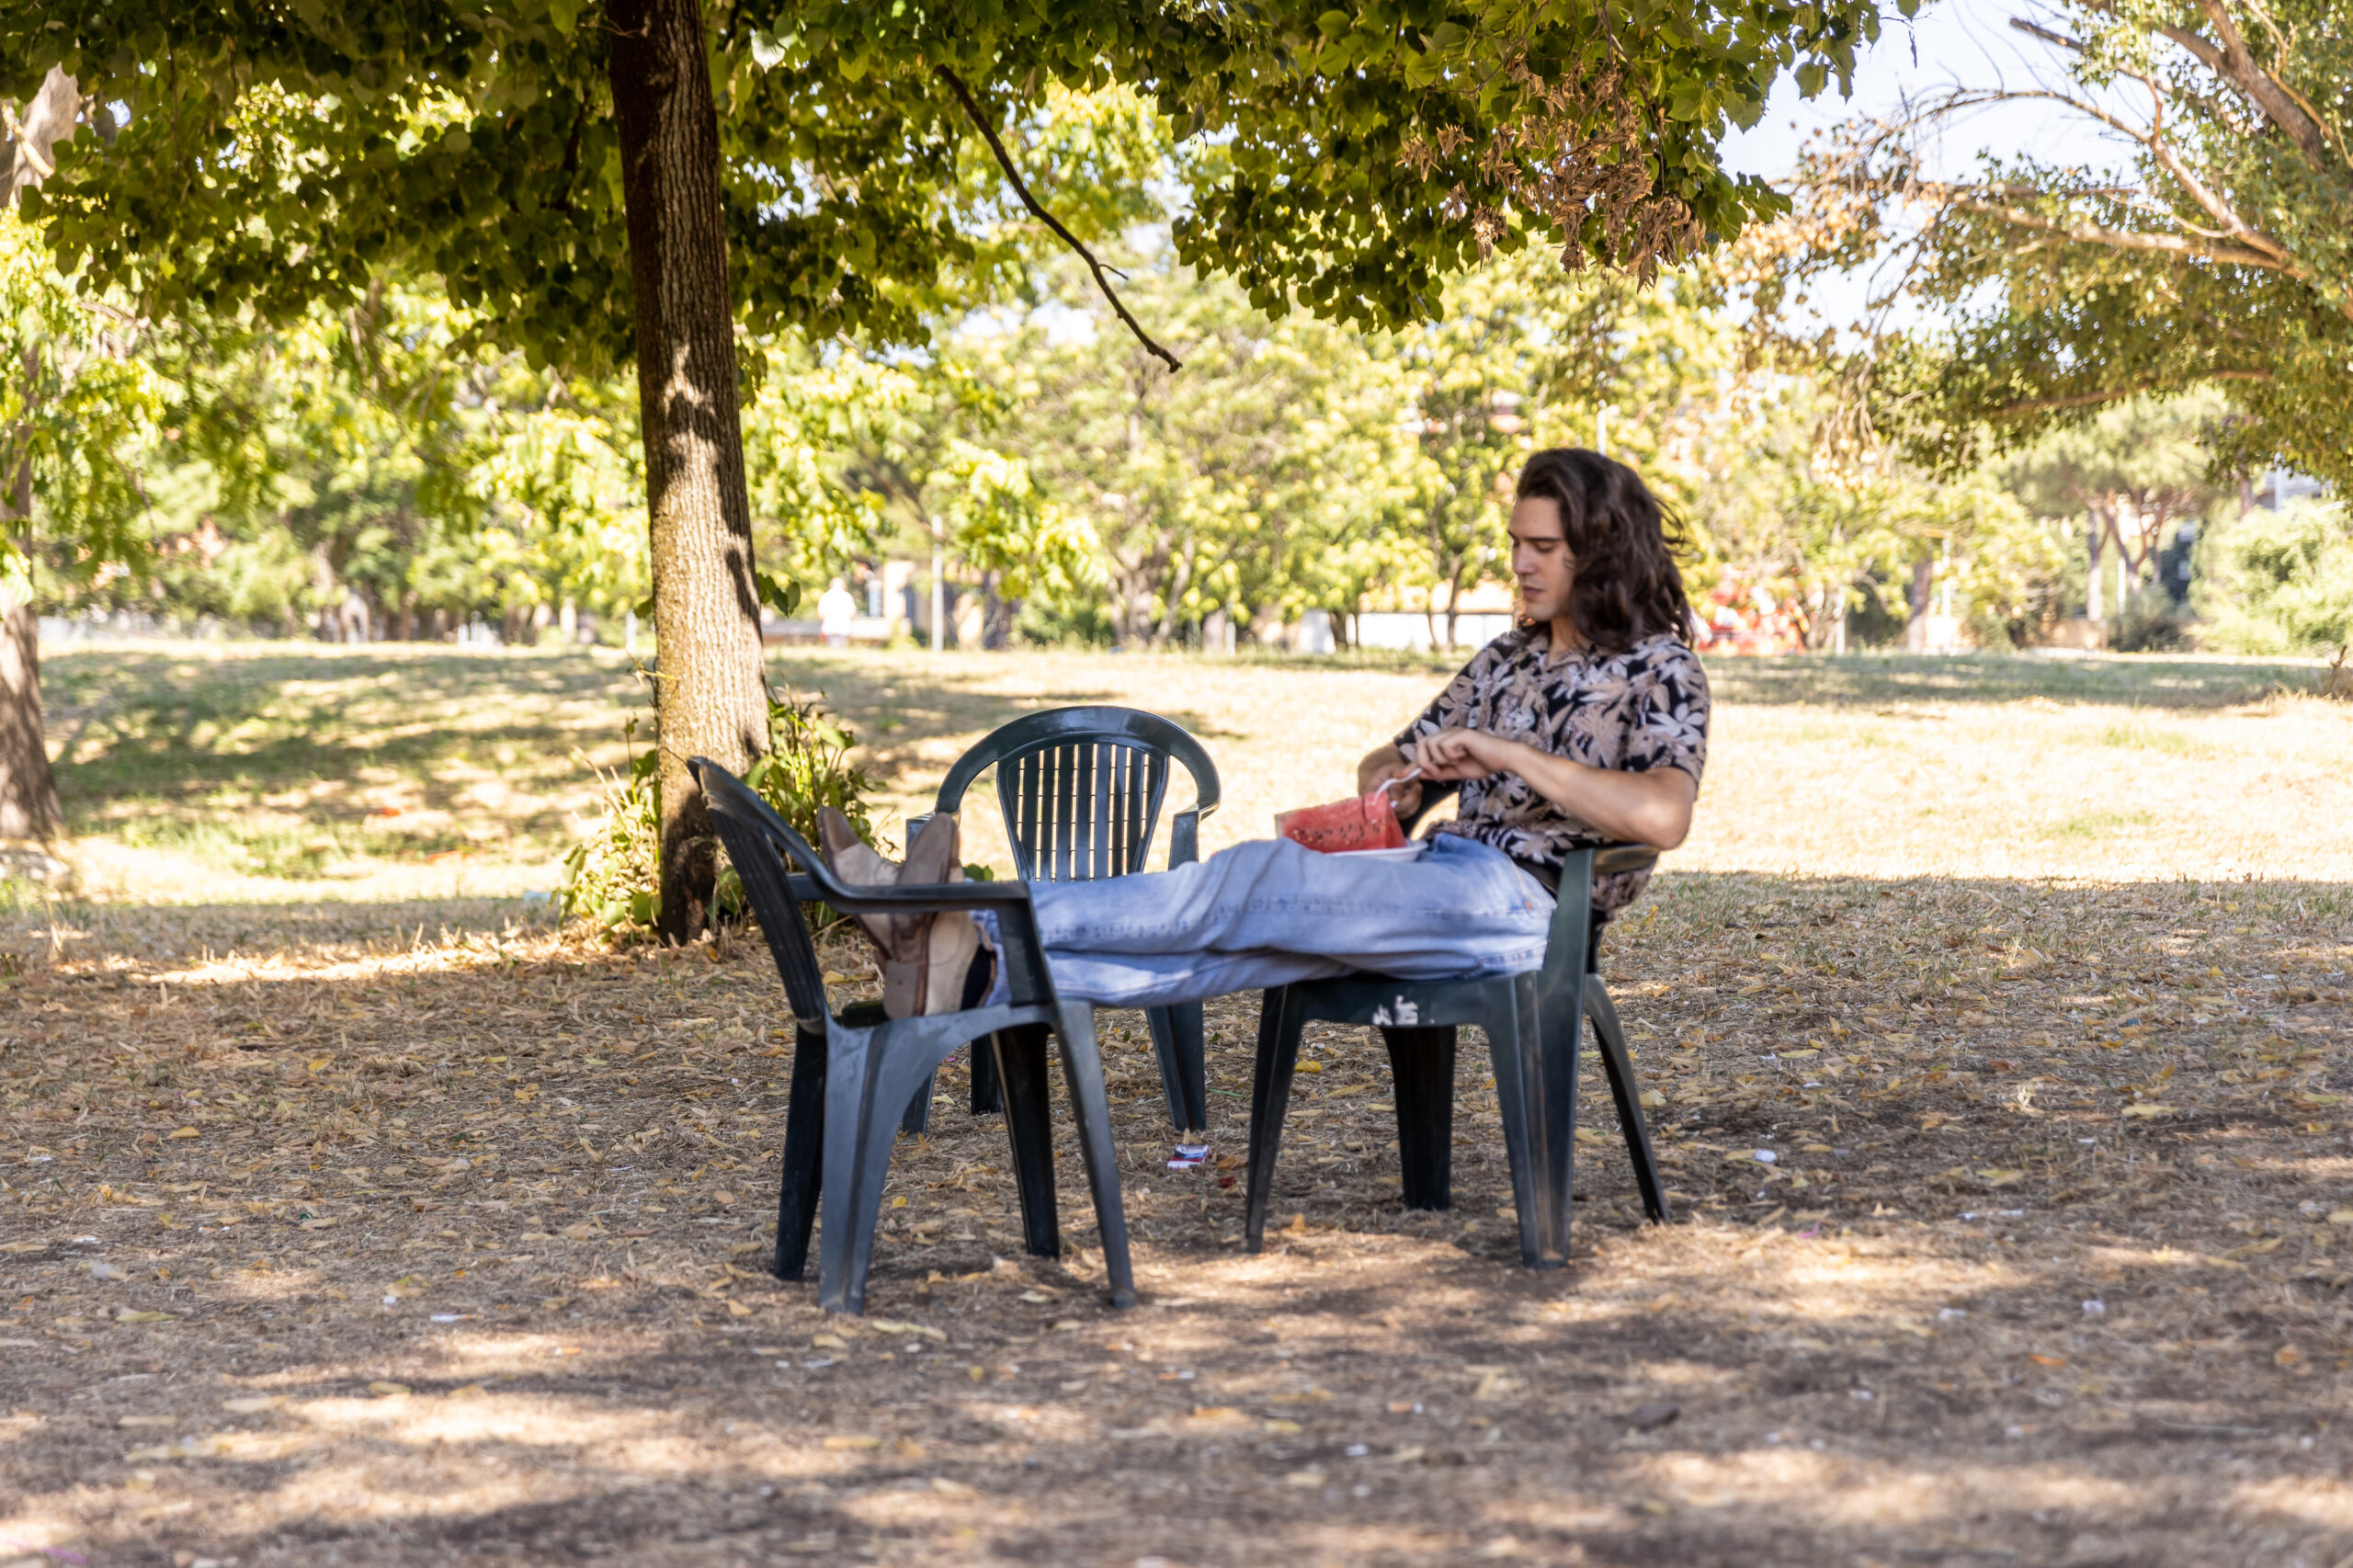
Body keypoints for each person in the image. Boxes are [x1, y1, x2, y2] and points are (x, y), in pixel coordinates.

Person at [820, 447, 1711, 1017]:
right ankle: (976, 975)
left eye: (1542, 547)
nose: (1519, 562)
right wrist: (1406, 775)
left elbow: (1663, 817)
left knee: (1246, 884)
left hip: (1530, 908)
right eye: (1515, 542)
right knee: (1232, 947)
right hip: (1437, 873)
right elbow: (1383, 760)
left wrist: (1513, 755)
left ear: (1595, 548)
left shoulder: (1657, 667)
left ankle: (956, 914)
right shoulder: (1505, 658)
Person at [816, 576, 858, 649]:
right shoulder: (847, 596)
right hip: (843, 627)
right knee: (841, 647)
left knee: (830, 648)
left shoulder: (825, 596)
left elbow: (821, 613)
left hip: (829, 626)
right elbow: (852, 612)